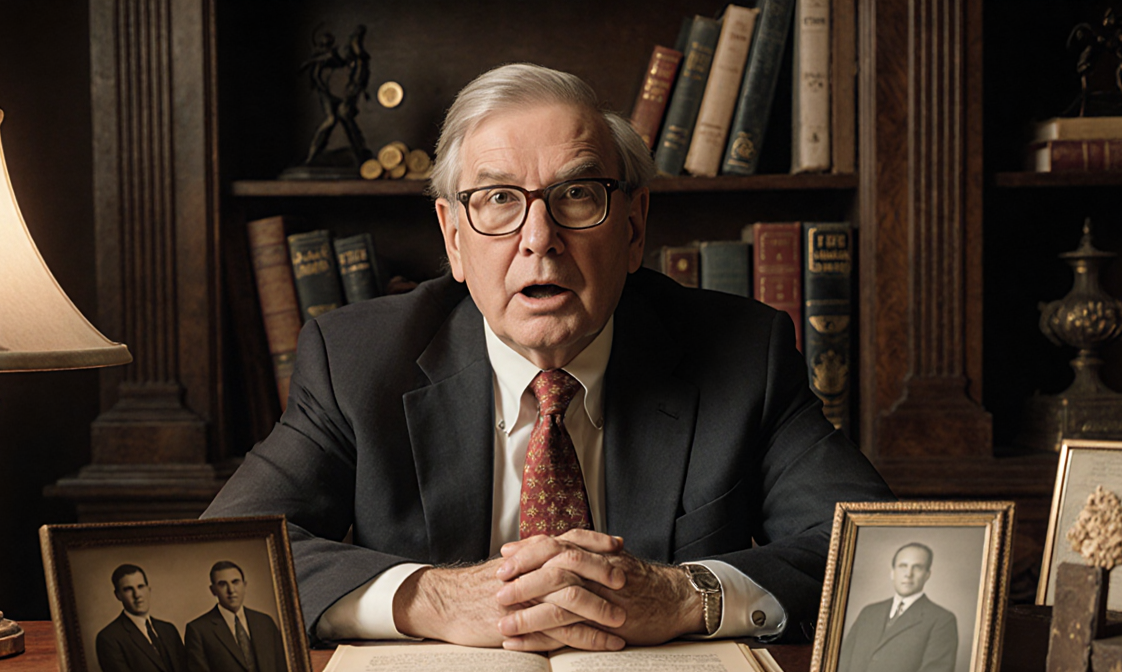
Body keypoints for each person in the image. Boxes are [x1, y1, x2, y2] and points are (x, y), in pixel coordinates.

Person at [204, 62, 893, 651]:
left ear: (633, 228)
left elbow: (873, 548)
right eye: (499, 199)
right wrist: (434, 600)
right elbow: (224, 552)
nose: (540, 238)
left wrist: (688, 596)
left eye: (575, 195)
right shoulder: (357, 360)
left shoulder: (744, 353)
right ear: (453, 240)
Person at [836, 543, 957, 672]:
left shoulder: (942, 619)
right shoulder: (869, 612)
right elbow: (843, 662)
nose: (908, 574)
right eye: (902, 566)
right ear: (892, 573)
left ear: (927, 575)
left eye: (917, 567)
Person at [184, 561, 288, 672]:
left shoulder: (264, 622)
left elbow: (282, 666)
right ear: (213, 590)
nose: (231, 590)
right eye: (222, 584)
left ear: (244, 585)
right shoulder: (199, 630)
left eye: (235, 582)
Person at [96, 564, 187, 672]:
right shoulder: (109, 638)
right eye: (128, 589)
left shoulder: (168, 629)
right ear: (118, 595)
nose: (137, 594)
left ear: (149, 589)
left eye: (140, 586)